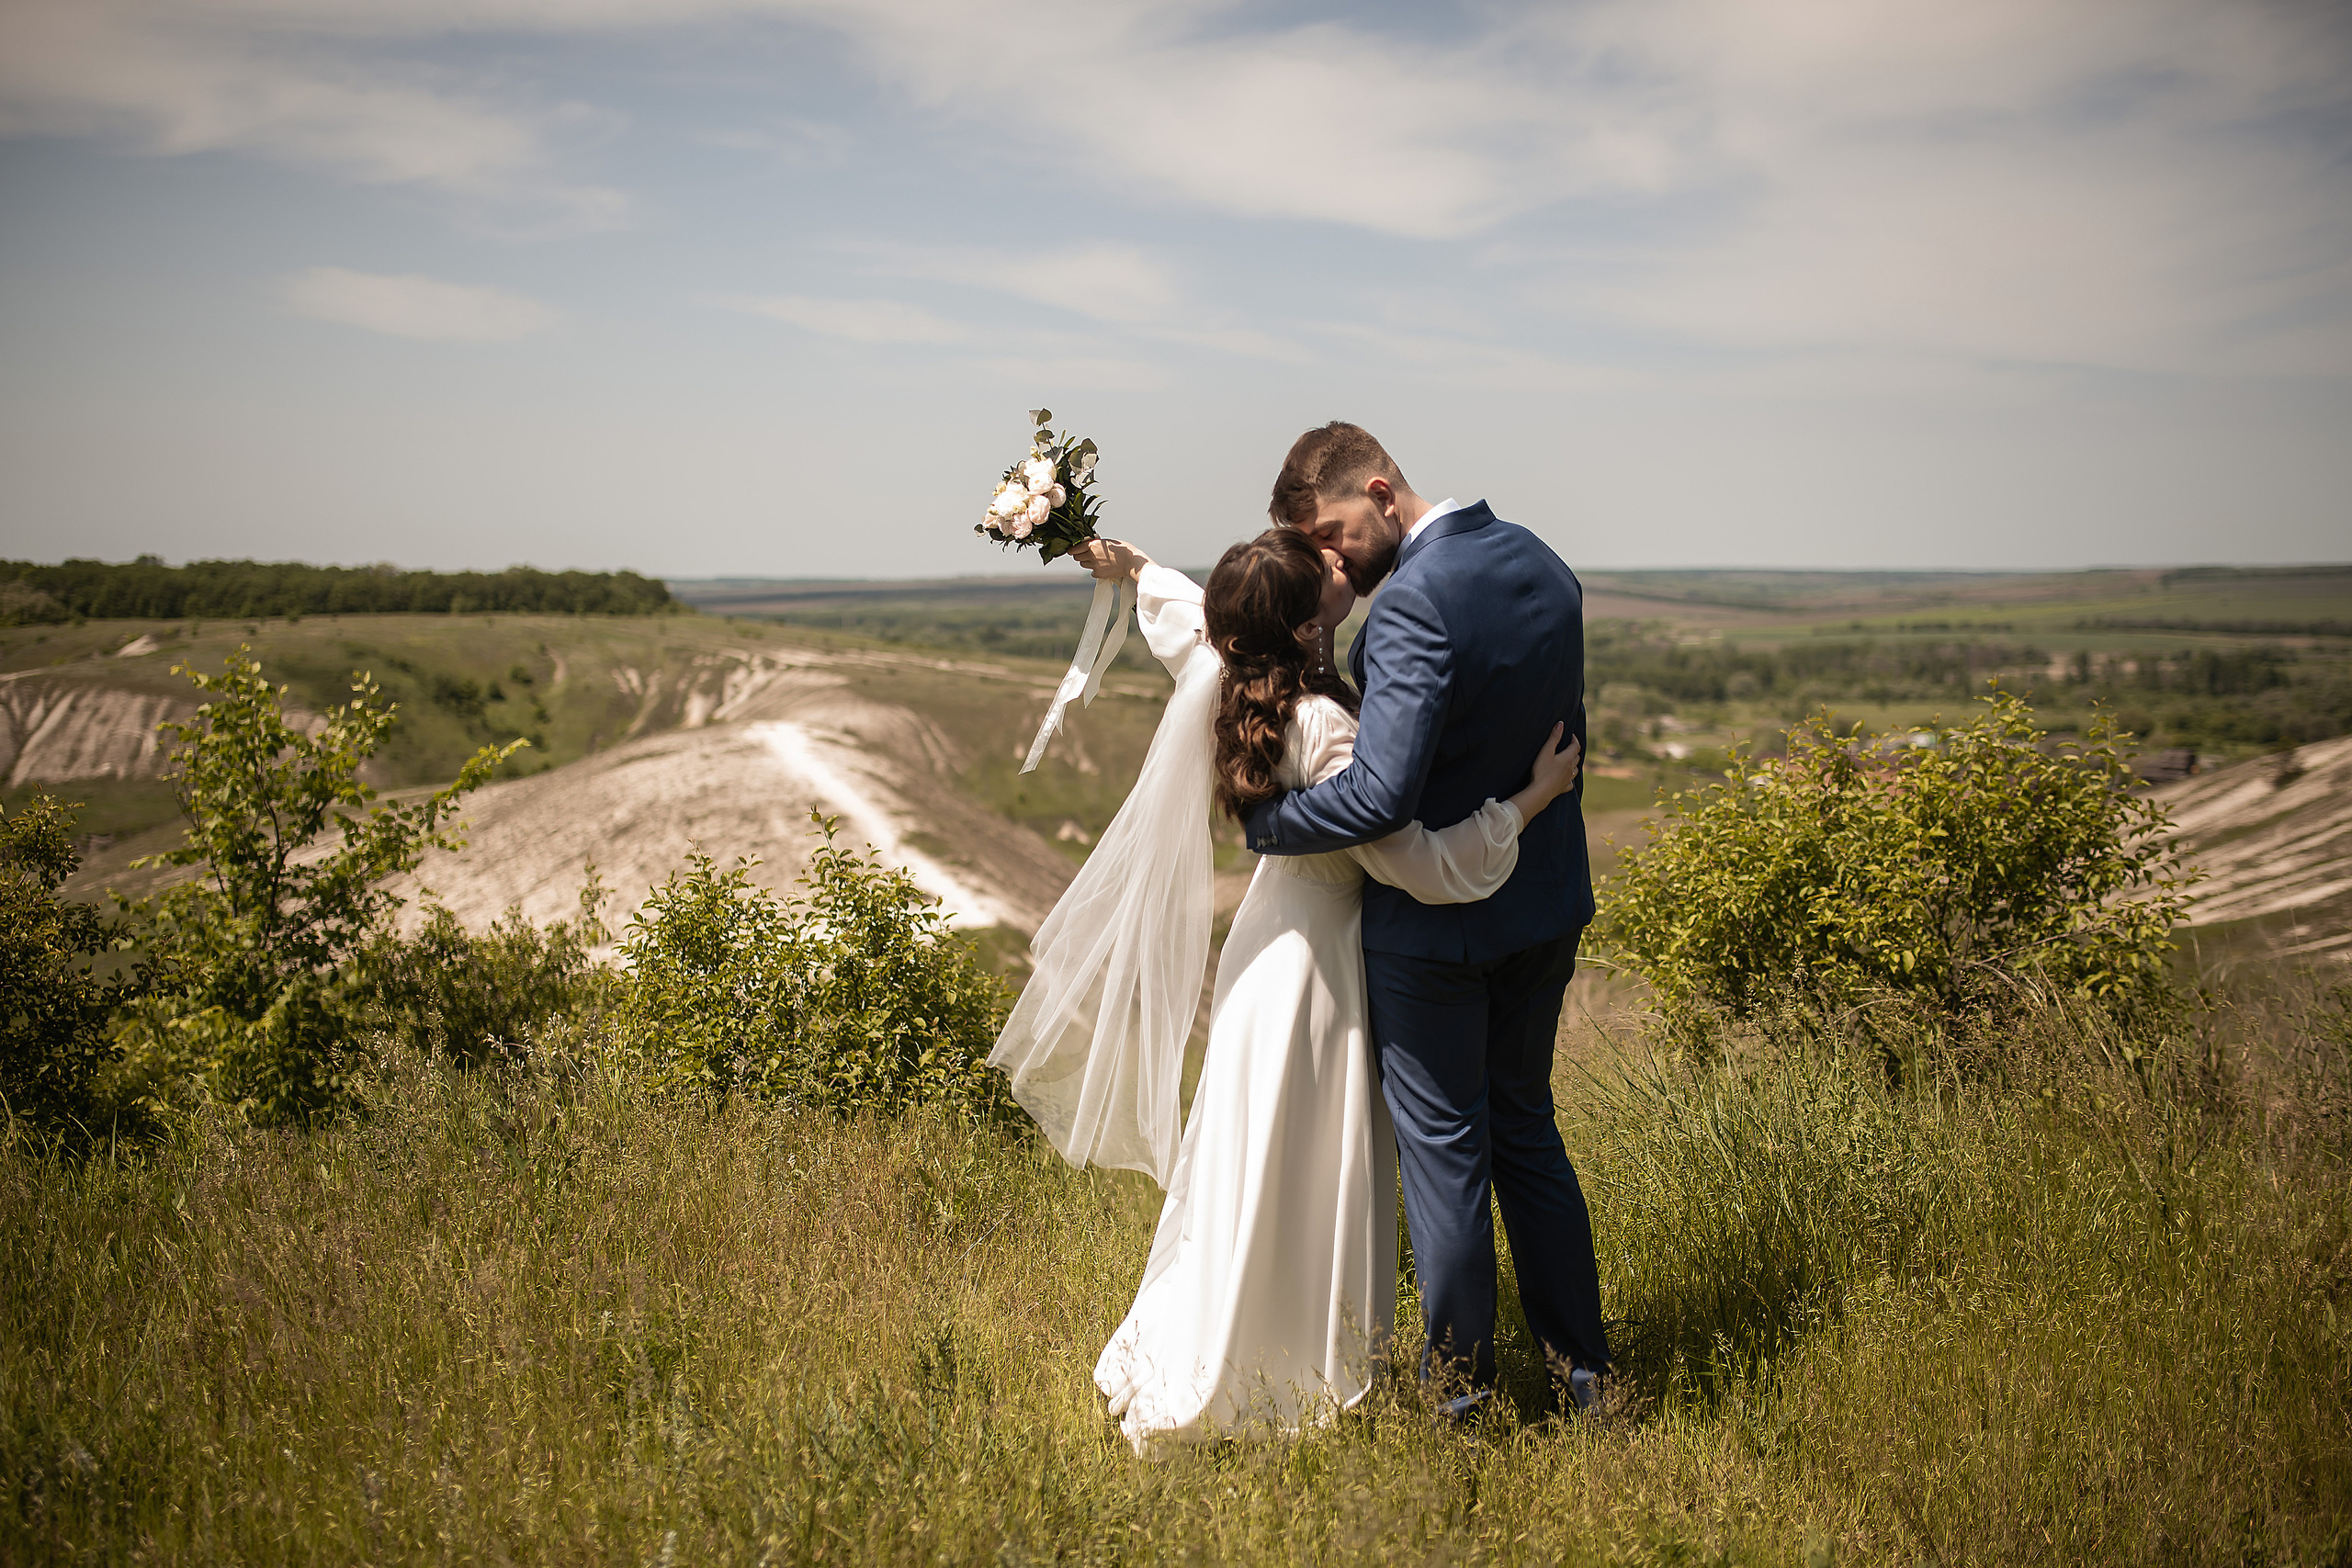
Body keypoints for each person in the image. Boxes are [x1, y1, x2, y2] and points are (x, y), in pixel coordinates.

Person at [988, 526, 1581, 1454]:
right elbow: (1416, 865)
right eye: (1327, 576)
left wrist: (1139, 567)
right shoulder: (1323, 726)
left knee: (1252, 1153)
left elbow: (1192, 621)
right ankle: (1283, 1361)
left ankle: (1243, 1328)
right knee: (1304, 1159)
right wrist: (1529, 802)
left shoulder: (1230, 678)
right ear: (1306, 627)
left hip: (1264, 951)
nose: (1341, 569)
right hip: (1318, 970)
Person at [1244, 422, 1608, 1417]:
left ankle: (1461, 1403)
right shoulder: (1542, 560)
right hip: (1543, 905)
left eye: (1332, 534)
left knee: (1448, 1166)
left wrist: (1264, 822)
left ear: (1378, 491)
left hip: (1437, 935)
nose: (1332, 561)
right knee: (1527, 1134)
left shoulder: (1405, 606)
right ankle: (1586, 1378)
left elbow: (1378, 800)